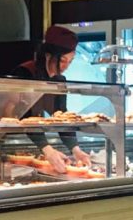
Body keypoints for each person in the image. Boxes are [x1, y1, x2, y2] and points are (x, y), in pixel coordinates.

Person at [8, 25, 92, 174]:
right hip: (14, 143)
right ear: (48, 55)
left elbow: (61, 116)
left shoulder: (60, 80)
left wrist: (75, 149)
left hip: (38, 143)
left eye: (70, 61)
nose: (66, 66)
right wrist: (47, 150)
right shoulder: (26, 72)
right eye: (62, 60)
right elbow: (25, 115)